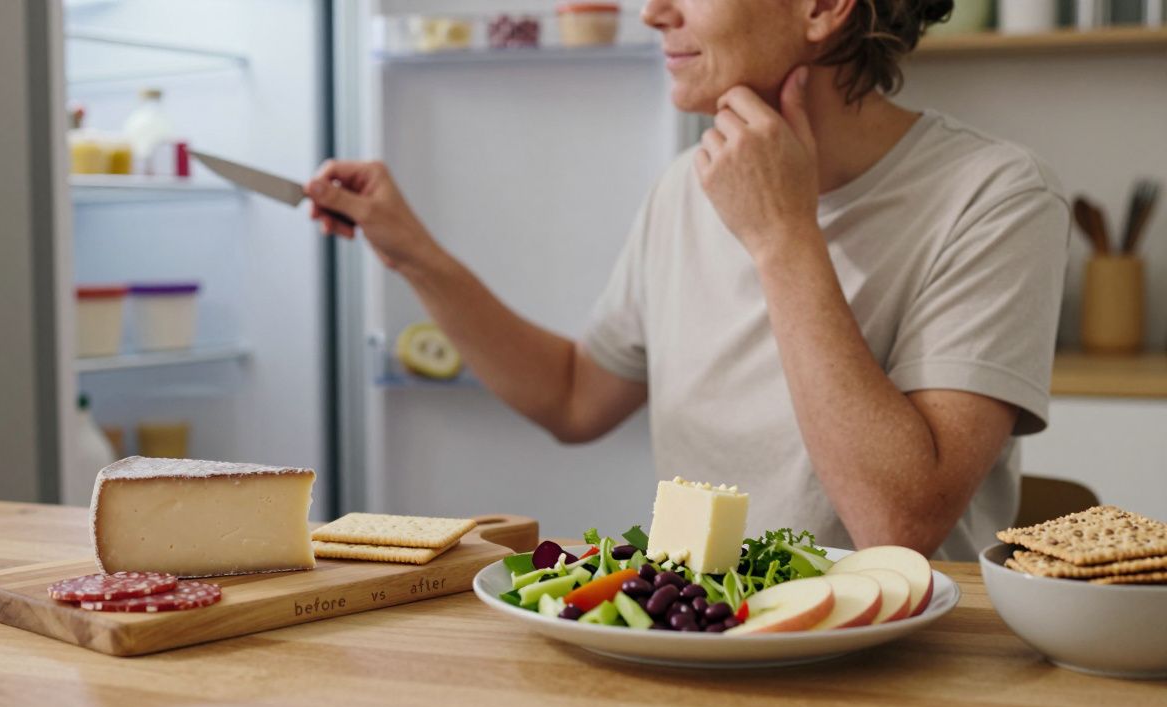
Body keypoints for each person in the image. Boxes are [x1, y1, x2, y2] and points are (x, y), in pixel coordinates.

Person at [303, 0, 1069, 559]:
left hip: (901, 669)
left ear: (824, 7)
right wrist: (414, 256)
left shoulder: (993, 195)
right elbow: (574, 398)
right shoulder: (686, 185)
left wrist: (783, 236)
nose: (652, 12)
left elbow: (897, 529)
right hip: (699, 640)